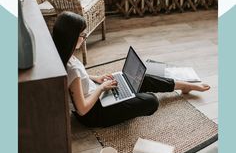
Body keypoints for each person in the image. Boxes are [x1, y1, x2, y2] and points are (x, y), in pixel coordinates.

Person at [53, 11, 210, 127]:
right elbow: (82, 110)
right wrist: (101, 88)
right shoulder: (70, 67)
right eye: (82, 34)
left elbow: (78, 79)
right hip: (95, 113)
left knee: (140, 78)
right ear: (72, 37)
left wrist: (96, 79)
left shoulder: (62, 55)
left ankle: (184, 85)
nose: (84, 37)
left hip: (95, 94)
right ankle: (128, 94)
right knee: (151, 101)